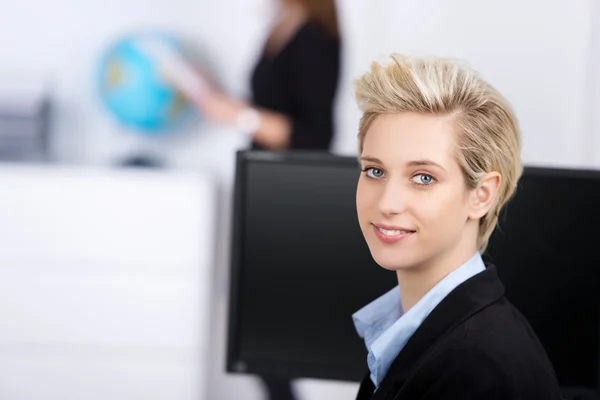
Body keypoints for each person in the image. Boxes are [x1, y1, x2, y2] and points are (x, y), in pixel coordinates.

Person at [351, 54, 563, 400]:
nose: (387, 203)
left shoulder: (477, 369)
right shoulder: (415, 332)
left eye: (423, 177)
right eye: (375, 171)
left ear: (480, 196)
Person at [195, 0, 341, 152]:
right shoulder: (283, 25)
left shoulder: (315, 38)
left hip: (288, 168)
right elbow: (271, 102)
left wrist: (241, 116)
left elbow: (312, 136)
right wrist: (221, 100)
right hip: (261, 160)